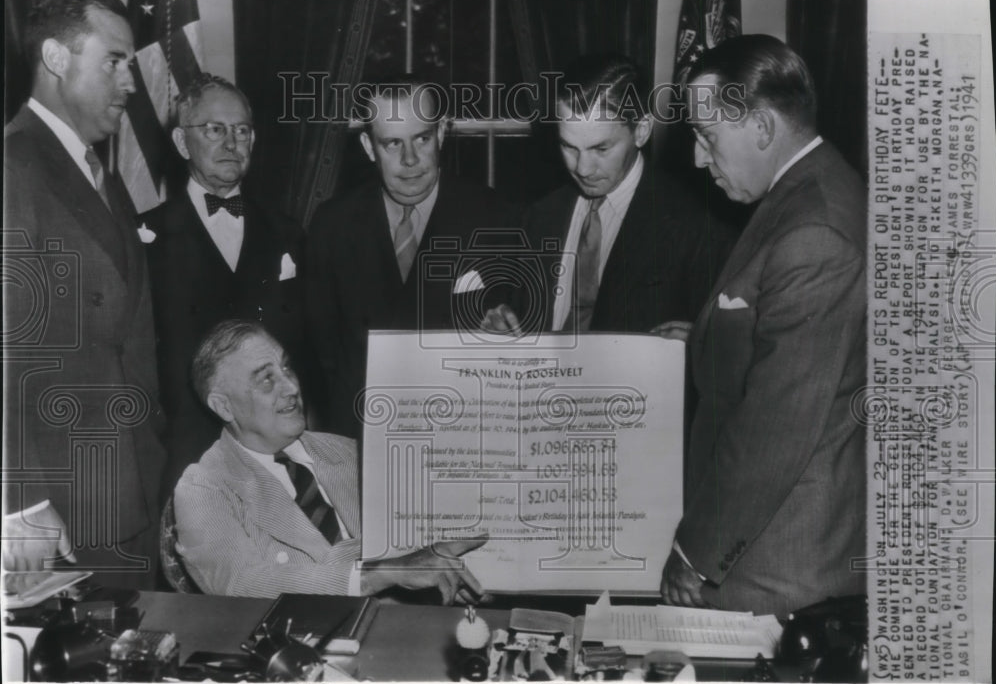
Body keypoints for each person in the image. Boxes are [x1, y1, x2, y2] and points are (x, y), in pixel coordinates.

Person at [660, 34, 866, 619]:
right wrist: (705, 342)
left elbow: (775, 426)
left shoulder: (814, 230)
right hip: (780, 549)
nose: (699, 158)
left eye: (707, 136)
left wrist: (695, 553)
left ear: (762, 127)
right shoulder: (808, 191)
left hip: (780, 564)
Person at [2, 0, 165, 587]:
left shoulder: (98, 173)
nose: (130, 82)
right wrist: (21, 500)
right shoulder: (14, 168)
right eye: (114, 61)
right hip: (56, 509)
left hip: (125, 488)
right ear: (55, 57)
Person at [173, 320, 487, 602]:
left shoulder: (350, 451)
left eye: (286, 368)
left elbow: (430, 533)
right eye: (266, 380)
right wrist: (374, 573)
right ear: (224, 407)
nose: (293, 387)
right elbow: (240, 583)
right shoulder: (203, 487)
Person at [306, 77, 517, 438]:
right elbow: (322, 354)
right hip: (360, 441)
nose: (410, 160)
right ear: (368, 147)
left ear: (443, 133)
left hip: (462, 437)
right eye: (392, 143)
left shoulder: (499, 218)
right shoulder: (332, 225)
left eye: (421, 138)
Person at [139, 74, 313, 503]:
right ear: (182, 143)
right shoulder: (145, 236)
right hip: (187, 456)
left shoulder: (287, 232)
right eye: (214, 129)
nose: (231, 143)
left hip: (276, 456)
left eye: (241, 131)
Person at [482, 53, 731, 336]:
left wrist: (699, 347)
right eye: (569, 147)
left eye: (601, 149)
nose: (583, 169)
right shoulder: (538, 216)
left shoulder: (696, 226)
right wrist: (500, 325)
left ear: (641, 131)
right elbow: (518, 315)